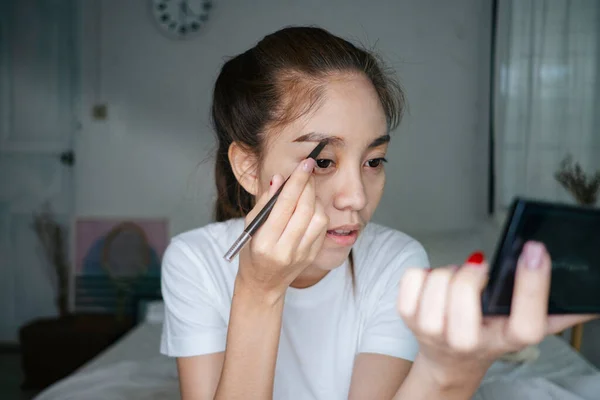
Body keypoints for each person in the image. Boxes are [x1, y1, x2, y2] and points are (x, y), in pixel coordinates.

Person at [159, 26, 596, 399]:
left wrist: (451, 372)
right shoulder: (194, 261)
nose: (356, 197)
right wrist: (259, 291)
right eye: (324, 162)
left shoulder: (395, 260)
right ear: (248, 167)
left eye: (374, 161)